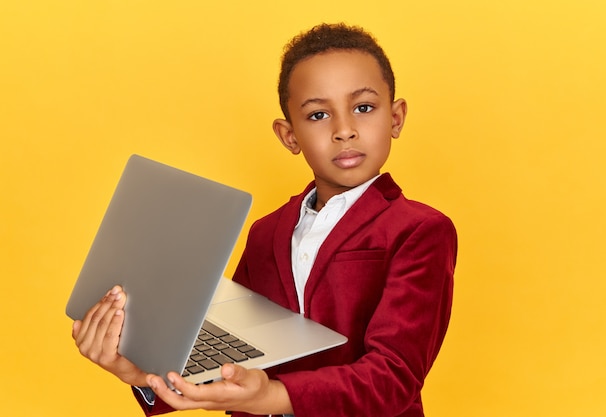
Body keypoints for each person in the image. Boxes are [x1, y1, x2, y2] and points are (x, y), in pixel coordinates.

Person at [72, 22, 457, 417]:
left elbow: (393, 378)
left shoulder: (421, 231)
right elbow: (233, 354)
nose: (344, 131)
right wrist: (143, 373)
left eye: (363, 107)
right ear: (289, 136)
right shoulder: (266, 232)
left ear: (395, 118)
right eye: (319, 114)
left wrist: (270, 396)